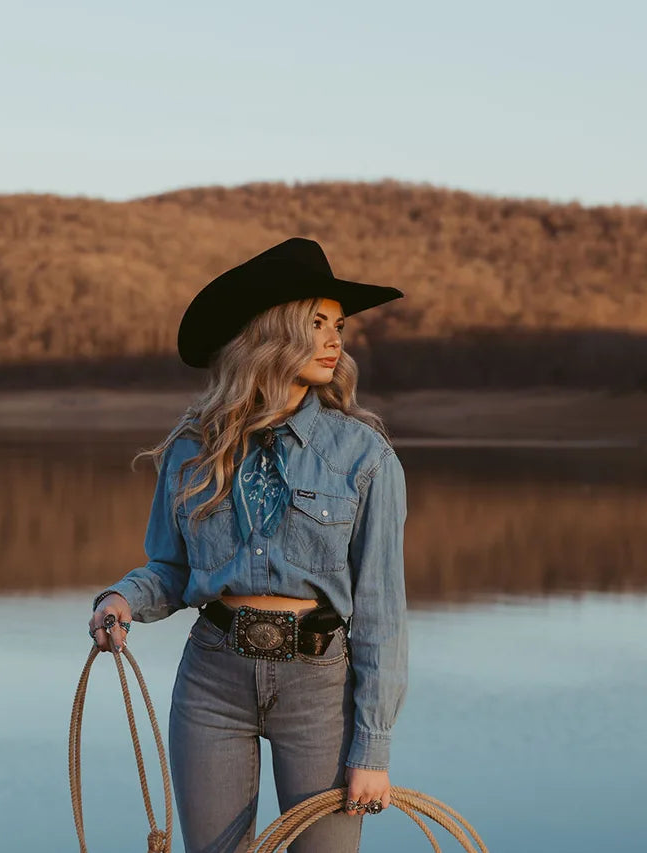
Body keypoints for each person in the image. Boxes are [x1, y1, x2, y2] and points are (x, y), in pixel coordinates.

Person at [88, 237, 409, 853]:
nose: (334, 340)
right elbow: (171, 570)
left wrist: (372, 748)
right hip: (211, 679)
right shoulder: (191, 449)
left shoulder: (366, 457)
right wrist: (122, 600)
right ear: (270, 333)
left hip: (320, 687)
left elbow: (383, 617)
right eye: (315, 324)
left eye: (338, 325)